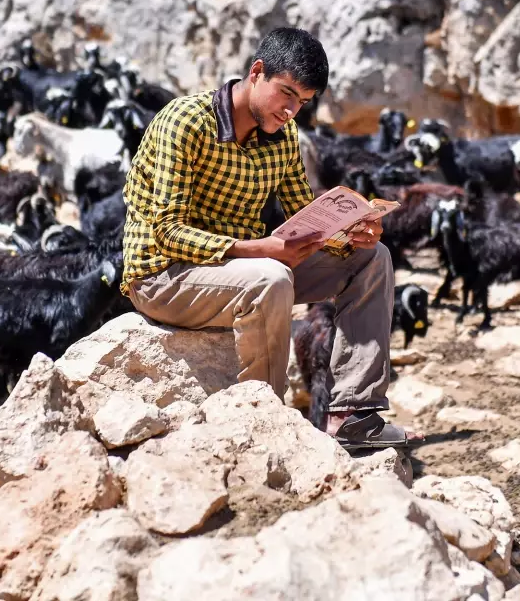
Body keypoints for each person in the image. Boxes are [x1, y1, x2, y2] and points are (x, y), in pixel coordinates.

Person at [120, 26, 423, 449]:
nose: (291, 111)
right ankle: (267, 423)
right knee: (271, 278)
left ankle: (353, 416)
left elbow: (307, 220)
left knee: (375, 260)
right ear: (257, 72)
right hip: (163, 276)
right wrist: (261, 250)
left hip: (244, 271)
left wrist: (353, 235)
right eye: (286, 93)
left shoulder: (283, 140)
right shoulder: (184, 122)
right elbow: (167, 233)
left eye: (302, 102)